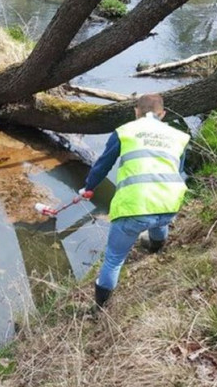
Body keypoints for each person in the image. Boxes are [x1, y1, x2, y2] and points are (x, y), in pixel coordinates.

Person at [79, 93, 190, 309]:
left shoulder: (125, 132)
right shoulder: (179, 136)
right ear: (163, 114)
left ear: (136, 113)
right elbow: (179, 169)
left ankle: (100, 308)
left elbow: (103, 165)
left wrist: (89, 187)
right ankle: (156, 248)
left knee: (113, 259)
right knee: (159, 218)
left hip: (134, 210)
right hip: (169, 204)